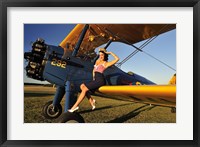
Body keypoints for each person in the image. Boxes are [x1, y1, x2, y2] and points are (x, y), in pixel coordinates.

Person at [68, 48, 119, 112]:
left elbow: (117, 59)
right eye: (100, 55)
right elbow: (94, 70)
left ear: (105, 55)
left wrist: (110, 53)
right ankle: (91, 100)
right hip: (96, 79)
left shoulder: (106, 63)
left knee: (84, 89)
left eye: (102, 55)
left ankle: (75, 106)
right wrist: (93, 78)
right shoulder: (97, 61)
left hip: (100, 80)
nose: (101, 56)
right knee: (82, 86)